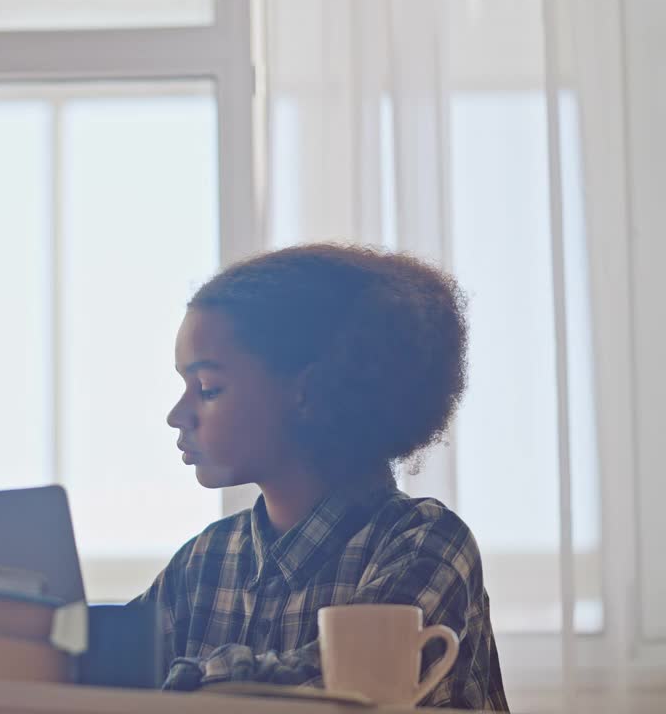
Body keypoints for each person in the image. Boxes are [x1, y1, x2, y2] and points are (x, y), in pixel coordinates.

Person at [133, 244, 509, 710]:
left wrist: (182, 684)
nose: (177, 415)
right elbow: (97, 678)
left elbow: (340, 691)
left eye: (208, 388)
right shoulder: (202, 562)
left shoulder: (423, 543)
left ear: (306, 392)